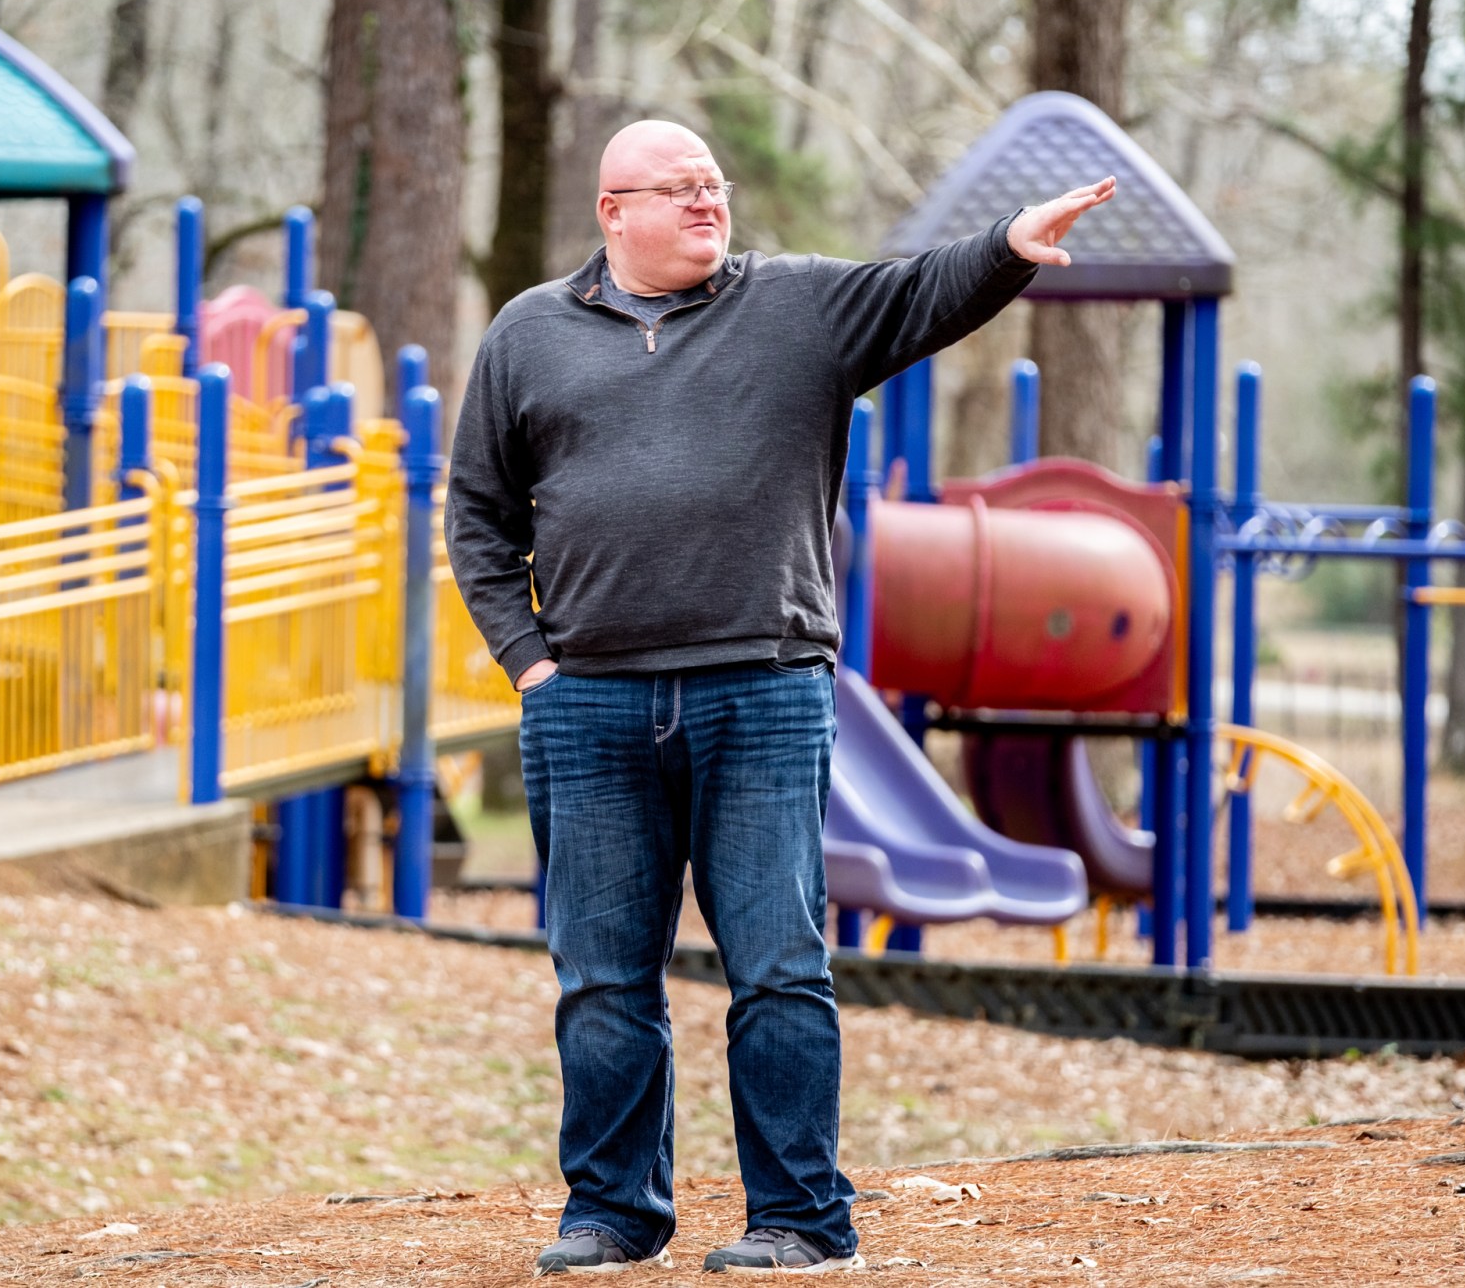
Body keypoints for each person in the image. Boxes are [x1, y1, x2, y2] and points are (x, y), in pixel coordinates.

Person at [446, 119, 1114, 1276]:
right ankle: (610, 1213)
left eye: (716, 184)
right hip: (589, 703)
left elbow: (923, 293)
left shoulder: (797, 307)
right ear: (614, 210)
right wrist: (531, 663)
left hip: (759, 688)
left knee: (776, 969)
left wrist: (1006, 243)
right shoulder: (527, 334)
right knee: (601, 978)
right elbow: (476, 515)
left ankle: (800, 1218)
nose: (709, 203)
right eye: (681, 188)